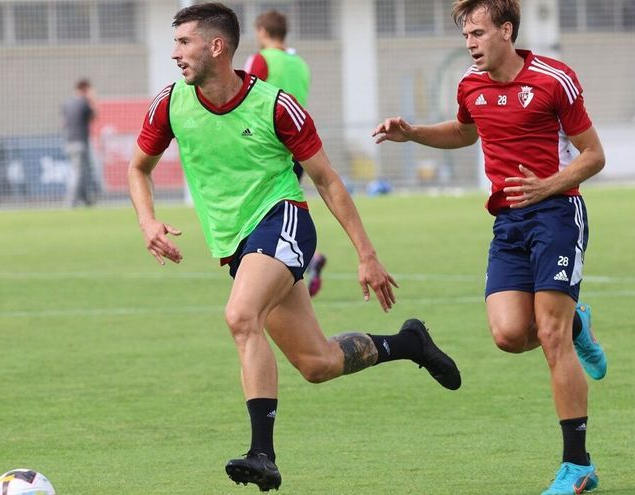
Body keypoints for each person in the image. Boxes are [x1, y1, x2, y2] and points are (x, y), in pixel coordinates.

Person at [127, 3, 461, 492]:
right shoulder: (169, 104)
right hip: (237, 244)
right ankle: (408, 343)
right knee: (317, 364)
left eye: (183, 43)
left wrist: (366, 254)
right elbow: (139, 168)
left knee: (242, 316)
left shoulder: (276, 105)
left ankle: (262, 453)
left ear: (216, 47)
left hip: (283, 218)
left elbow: (326, 180)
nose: (174, 53)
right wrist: (147, 220)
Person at [373, 1, 607, 493]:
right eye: (466, 35)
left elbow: (593, 155)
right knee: (507, 334)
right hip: (507, 224)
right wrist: (413, 133)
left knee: (550, 334)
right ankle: (579, 320)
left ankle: (578, 464)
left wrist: (550, 185)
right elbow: (464, 131)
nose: (471, 42)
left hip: (558, 215)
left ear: (506, 30)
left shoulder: (553, 79)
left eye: (478, 32)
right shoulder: (470, 85)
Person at [244, 9, 327, 296]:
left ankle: (298, 265)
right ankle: (306, 261)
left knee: (262, 213)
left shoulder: (260, 60)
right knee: (285, 207)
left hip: (268, 149)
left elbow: (247, 99)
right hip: (297, 147)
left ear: (262, 32)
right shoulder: (301, 64)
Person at [62, 78, 98, 207]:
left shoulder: (66, 103)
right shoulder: (83, 103)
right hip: (80, 142)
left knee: (82, 171)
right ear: (85, 90)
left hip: (69, 141)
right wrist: (92, 100)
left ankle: (86, 199)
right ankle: (70, 202)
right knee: (78, 172)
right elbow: (94, 116)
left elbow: (63, 123)